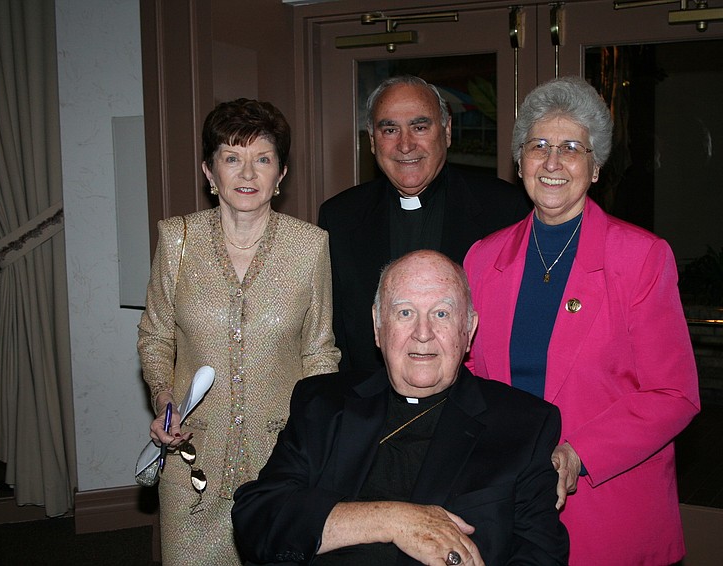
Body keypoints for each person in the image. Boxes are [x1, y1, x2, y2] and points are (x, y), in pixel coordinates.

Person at [463, 76, 701, 565]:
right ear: (520, 161)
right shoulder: (482, 260)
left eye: (571, 148)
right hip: (504, 504)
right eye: (539, 146)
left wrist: (578, 453)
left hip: (605, 505)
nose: (552, 162)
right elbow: (468, 377)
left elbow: (674, 395)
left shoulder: (641, 258)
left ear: (595, 168)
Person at [232, 250, 569, 566]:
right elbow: (257, 518)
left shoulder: (523, 425)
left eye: (441, 313)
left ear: (469, 330)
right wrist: (393, 520)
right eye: (405, 312)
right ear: (379, 326)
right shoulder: (322, 402)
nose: (423, 334)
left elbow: (541, 556)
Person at [138, 98, 340, 564]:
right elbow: (156, 337)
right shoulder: (177, 240)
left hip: (283, 461)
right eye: (232, 158)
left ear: (281, 173)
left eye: (263, 159)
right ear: (210, 172)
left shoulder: (309, 246)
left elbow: (319, 352)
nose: (247, 173)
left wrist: (319, 436)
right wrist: (165, 398)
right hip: (192, 459)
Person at [318, 75, 530, 372]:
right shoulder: (339, 218)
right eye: (390, 129)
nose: (405, 145)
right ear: (372, 141)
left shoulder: (505, 210)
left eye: (419, 127)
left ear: (446, 132)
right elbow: (334, 338)